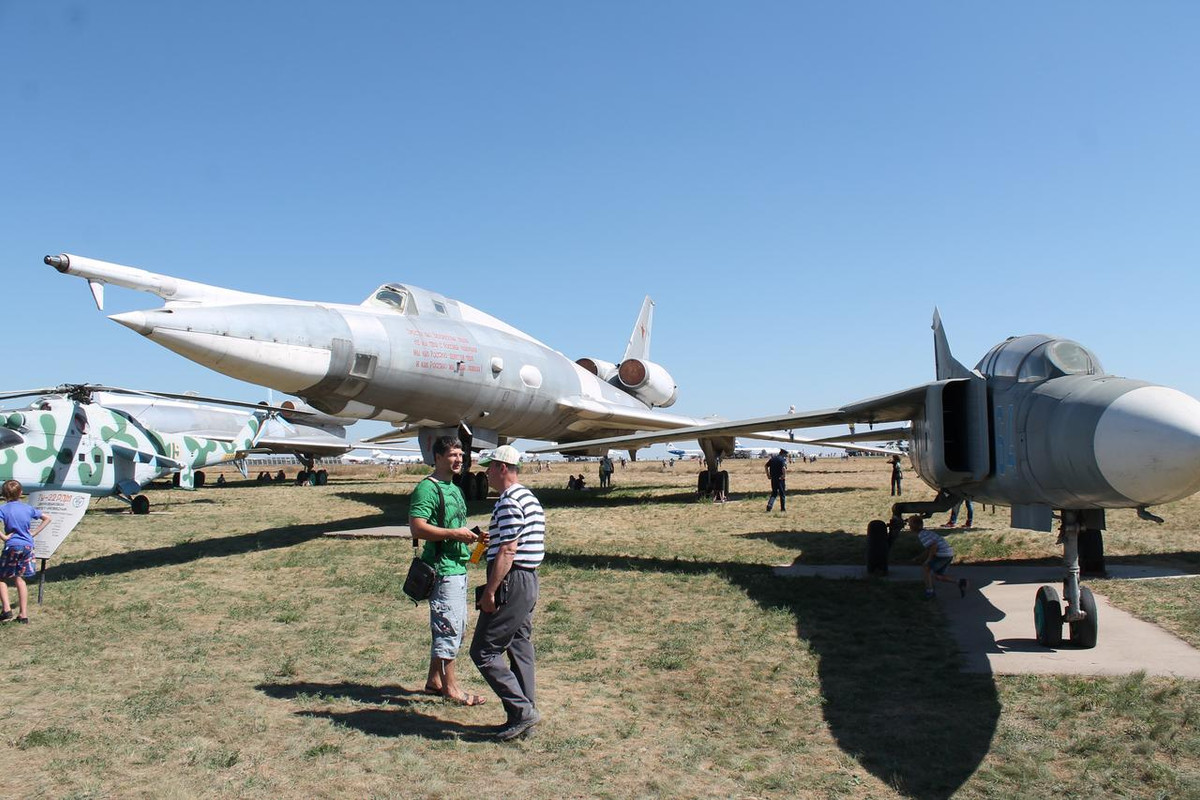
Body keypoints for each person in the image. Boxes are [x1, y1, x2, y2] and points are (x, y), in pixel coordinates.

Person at [471, 445, 545, 741]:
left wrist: (490, 591)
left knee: (484, 650)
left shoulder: (509, 500)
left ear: (503, 468)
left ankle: (522, 711)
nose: (486, 473)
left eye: (489, 467)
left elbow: (508, 549)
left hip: (512, 581)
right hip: (527, 580)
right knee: (519, 647)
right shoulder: (527, 497)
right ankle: (523, 715)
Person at [409, 436, 486, 706]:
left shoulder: (455, 488)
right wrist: (454, 533)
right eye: (453, 455)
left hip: (458, 567)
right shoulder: (427, 489)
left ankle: (434, 680)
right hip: (442, 570)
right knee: (449, 628)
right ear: (438, 457)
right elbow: (417, 527)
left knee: (453, 627)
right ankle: (451, 688)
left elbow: (454, 524)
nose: (459, 460)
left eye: (462, 456)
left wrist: (473, 537)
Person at [0, 480, 51, 624]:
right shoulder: (27, 508)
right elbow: (47, 518)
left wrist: (4, 537)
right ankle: (23, 614)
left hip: (12, 546)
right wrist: (33, 533)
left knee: (1, 577)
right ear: (21, 493)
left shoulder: (3, 509)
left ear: (3, 495)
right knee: (19, 578)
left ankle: (6, 609)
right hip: (28, 546)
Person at [909, 515, 967, 599]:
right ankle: (960, 582)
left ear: (914, 526)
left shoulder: (922, 535)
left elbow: (933, 546)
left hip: (942, 555)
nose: (909, 526)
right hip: (948, 553)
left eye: (910, 524)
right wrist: (919, 557)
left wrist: (928, 560)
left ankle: (930, 592)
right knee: (938, 576)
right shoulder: (926, 533)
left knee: (926, 568)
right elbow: (929, 548)